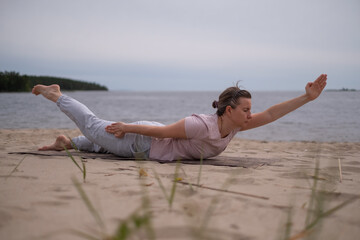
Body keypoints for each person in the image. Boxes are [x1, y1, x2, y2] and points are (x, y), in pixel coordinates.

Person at [32, 74, 327, 161]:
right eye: (247, 109)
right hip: (144, 143)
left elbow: (273, 113)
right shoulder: (202, 125)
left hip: (151, 142)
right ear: (229, 110)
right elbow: (161, 133)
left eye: (250, 110)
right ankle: (57, 95)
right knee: (97, 128)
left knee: (101, 143)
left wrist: (307, 97)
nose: (251, 114)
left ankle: (67, 142)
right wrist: (125, 127)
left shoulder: (235, 127)